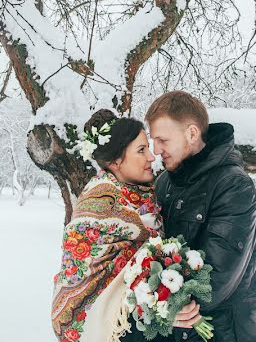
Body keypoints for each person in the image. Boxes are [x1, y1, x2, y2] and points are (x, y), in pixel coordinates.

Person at [52, 109, 199, 342]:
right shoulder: (98, 206)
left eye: (149, 148)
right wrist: (160, 309)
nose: (152, 157)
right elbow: (89, 292)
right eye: (141, 150)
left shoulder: (147, 196)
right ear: (114, 162)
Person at [147, 91, 256, 342]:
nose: (155, 149)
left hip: (224, 332)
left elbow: (215, 282)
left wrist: (159, 303)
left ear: (191, 133)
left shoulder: (234, 186)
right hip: (176, 331)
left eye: (162, 140)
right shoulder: (164, 182)